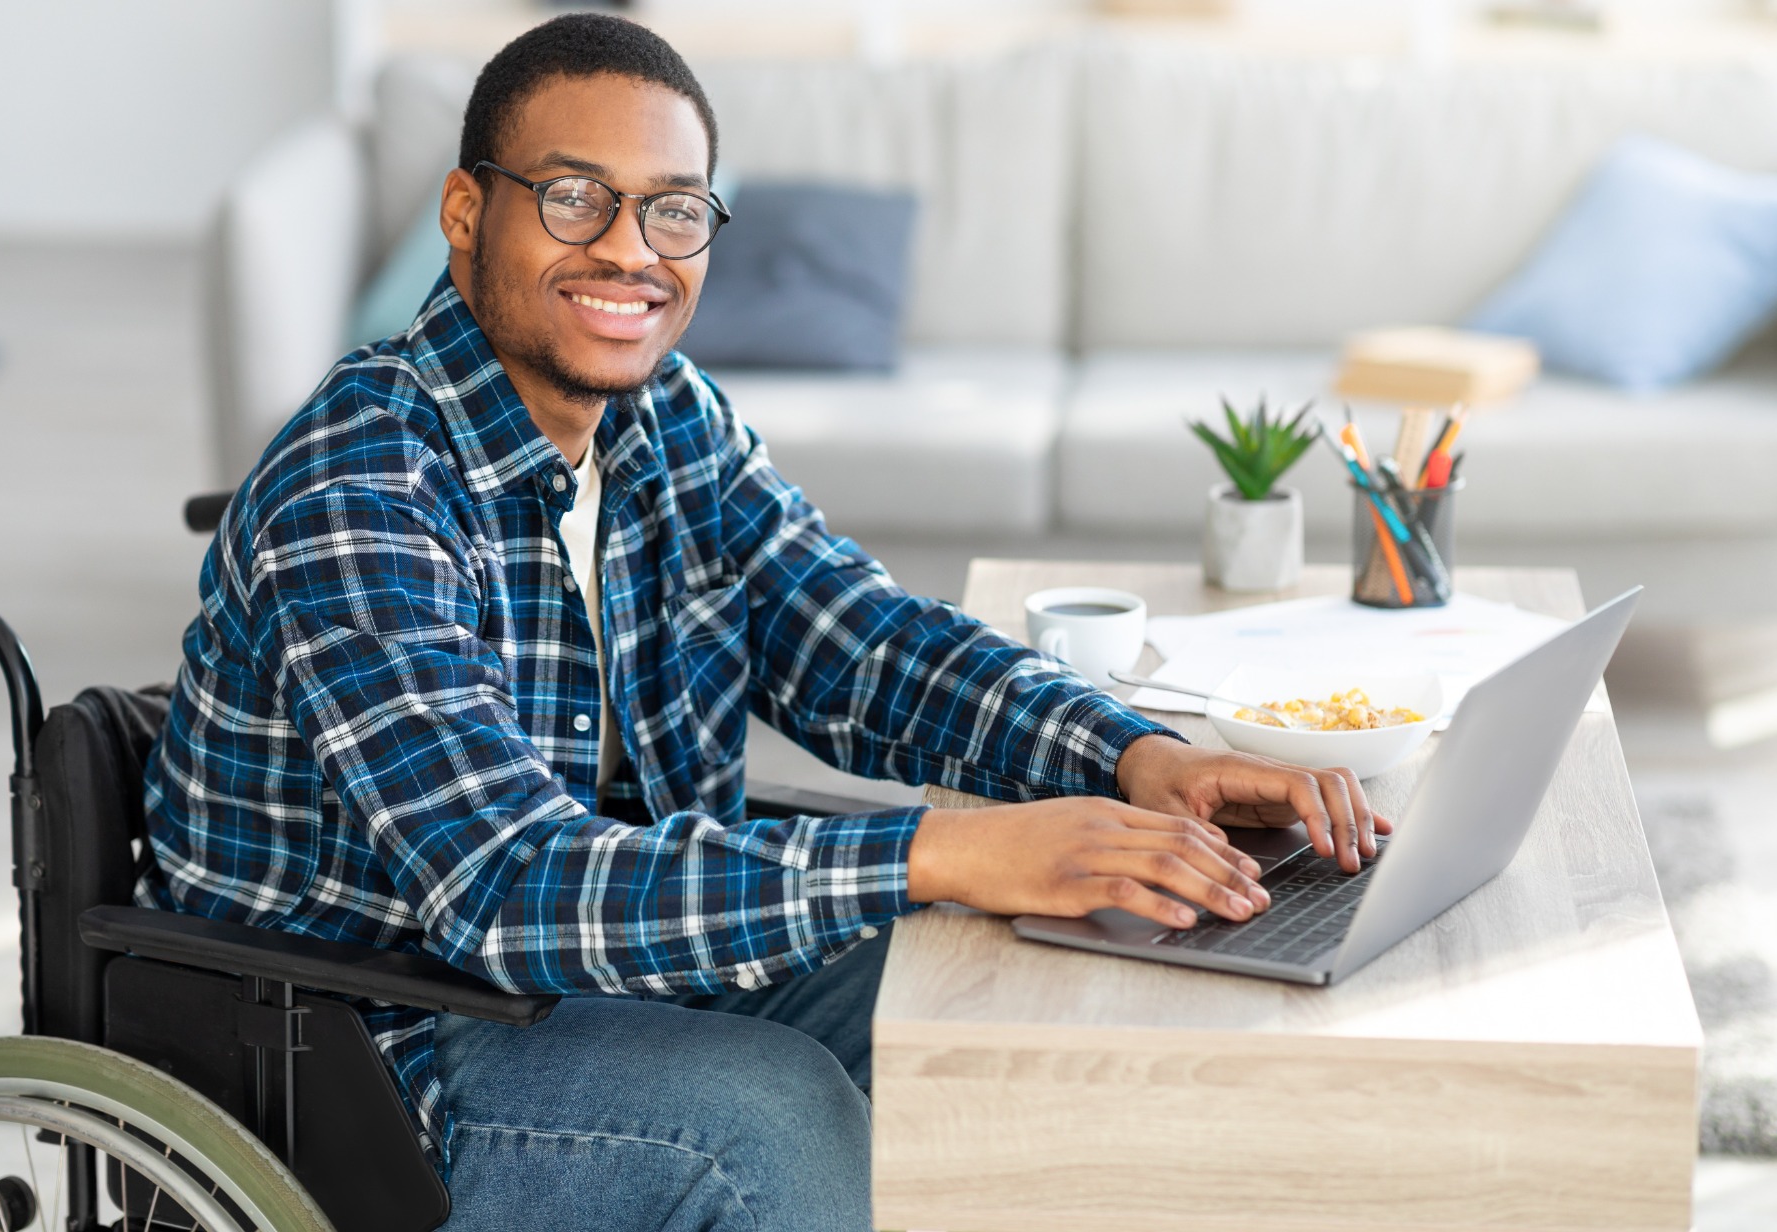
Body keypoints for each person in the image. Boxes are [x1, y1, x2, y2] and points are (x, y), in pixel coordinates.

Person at [143, 13, 1388, 1230]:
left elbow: (860, 642)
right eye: (574, 197)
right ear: (468, 213)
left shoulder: (665, 417)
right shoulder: (361, 488)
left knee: (1020, 980)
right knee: (771, 1115)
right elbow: (509, 886)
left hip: (615, 956)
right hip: (375, 1042)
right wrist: (938, 852)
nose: (629, 249)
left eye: (673, 208)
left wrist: (1135, 758)